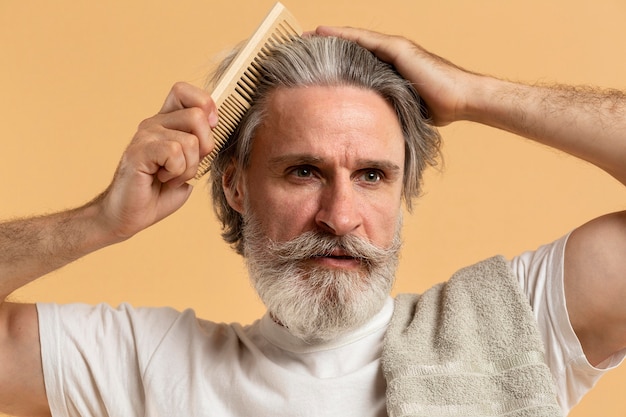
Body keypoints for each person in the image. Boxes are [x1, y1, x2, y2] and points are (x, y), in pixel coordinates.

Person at [0, 25, 625, 416]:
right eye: (303, 171)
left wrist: (473, 93)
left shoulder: (509, 329)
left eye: (373, 175)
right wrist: (99, 220)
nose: (341, 216)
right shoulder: (147, 365)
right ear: (236, 186)